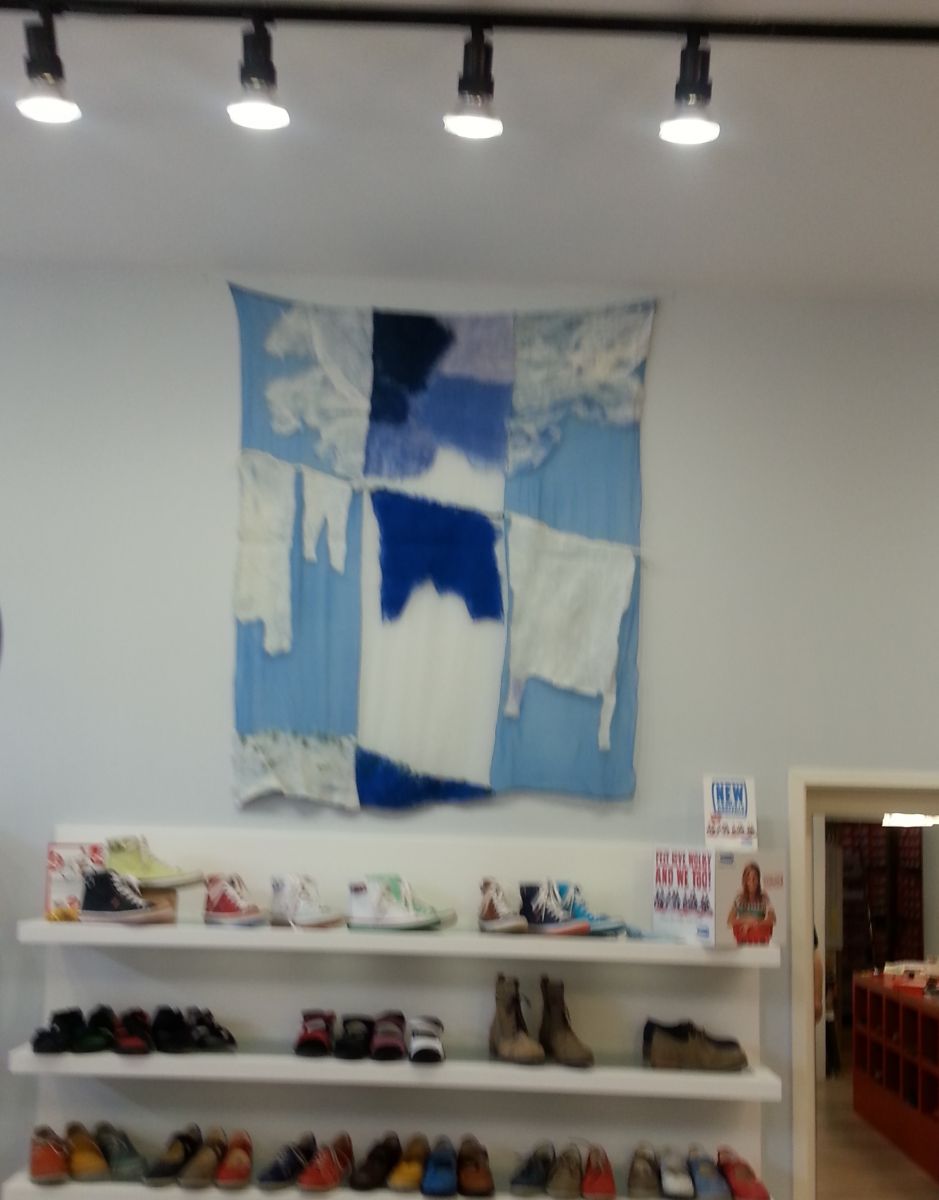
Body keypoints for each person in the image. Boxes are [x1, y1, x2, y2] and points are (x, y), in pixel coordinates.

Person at [726, 862, 777, 935]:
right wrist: (748, 921)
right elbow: (730, 921)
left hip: (759, 937)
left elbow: (772, 920)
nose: (751, 882)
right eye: (748, 879)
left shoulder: (764, 897)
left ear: (758, 880)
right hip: (742, 937)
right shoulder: (739, 898)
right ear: (744, 880)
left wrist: (755, 923)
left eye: (754, 878)